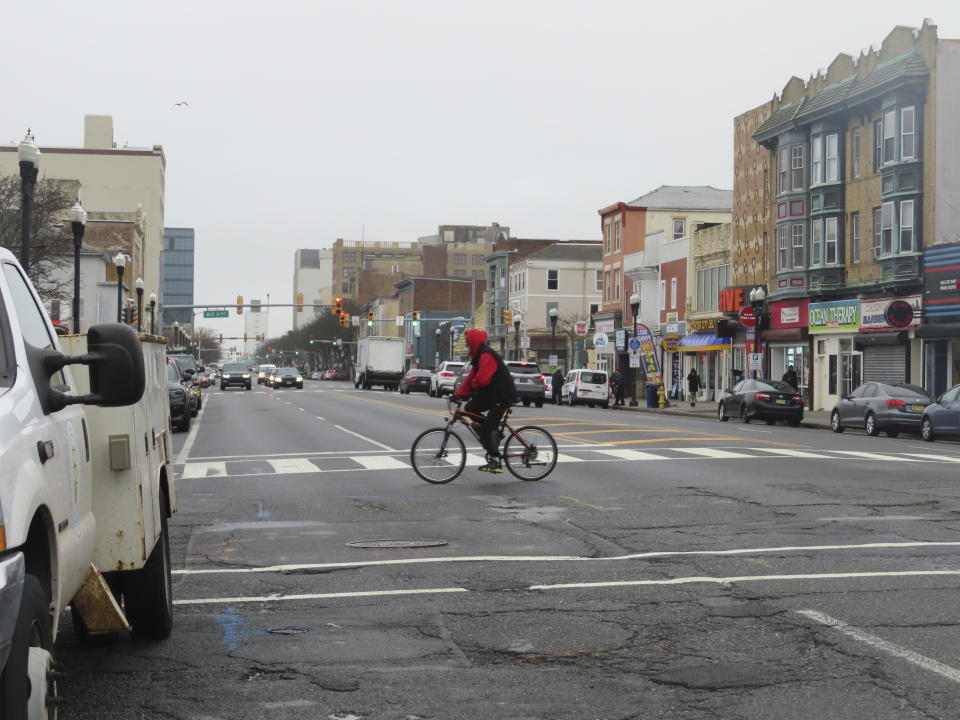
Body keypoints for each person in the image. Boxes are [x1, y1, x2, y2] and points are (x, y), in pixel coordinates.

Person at [453, 329, 518, 473]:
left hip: (503, 395)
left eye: (469, 343)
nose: (468, 346)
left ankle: (496, 460)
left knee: (489, 424)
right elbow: (471, 378)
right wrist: (459, 394)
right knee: (470, 407)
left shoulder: (487, 355)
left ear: (474, 342)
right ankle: (490, 434)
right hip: (492, 393)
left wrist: (472, 388)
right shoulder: (478, 357)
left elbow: (481, 380)